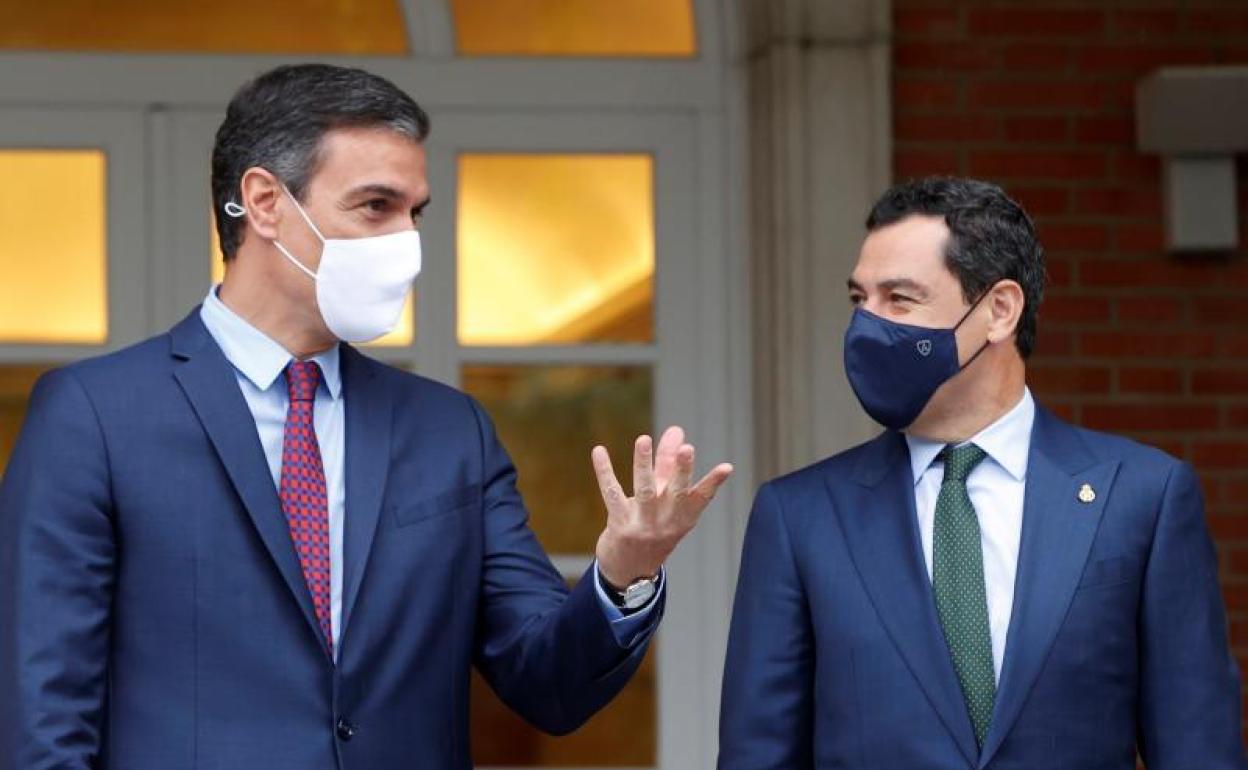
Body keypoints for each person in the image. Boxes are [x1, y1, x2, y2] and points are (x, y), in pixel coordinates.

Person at [0, 63, 732, 769]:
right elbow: (44, 713)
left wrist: (625, 572)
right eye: (376, 206)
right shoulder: (94, 415)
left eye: (416, 213)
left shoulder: (451, 433)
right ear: (264, 203)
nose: (406, 243)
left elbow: (548, 683)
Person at [719, 176, 1246, 769]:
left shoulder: (1143, 498)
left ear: (999, 311)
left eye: (899, 299)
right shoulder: (800, 517)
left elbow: (1198, 747)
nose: (868, 324)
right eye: (858, 300)